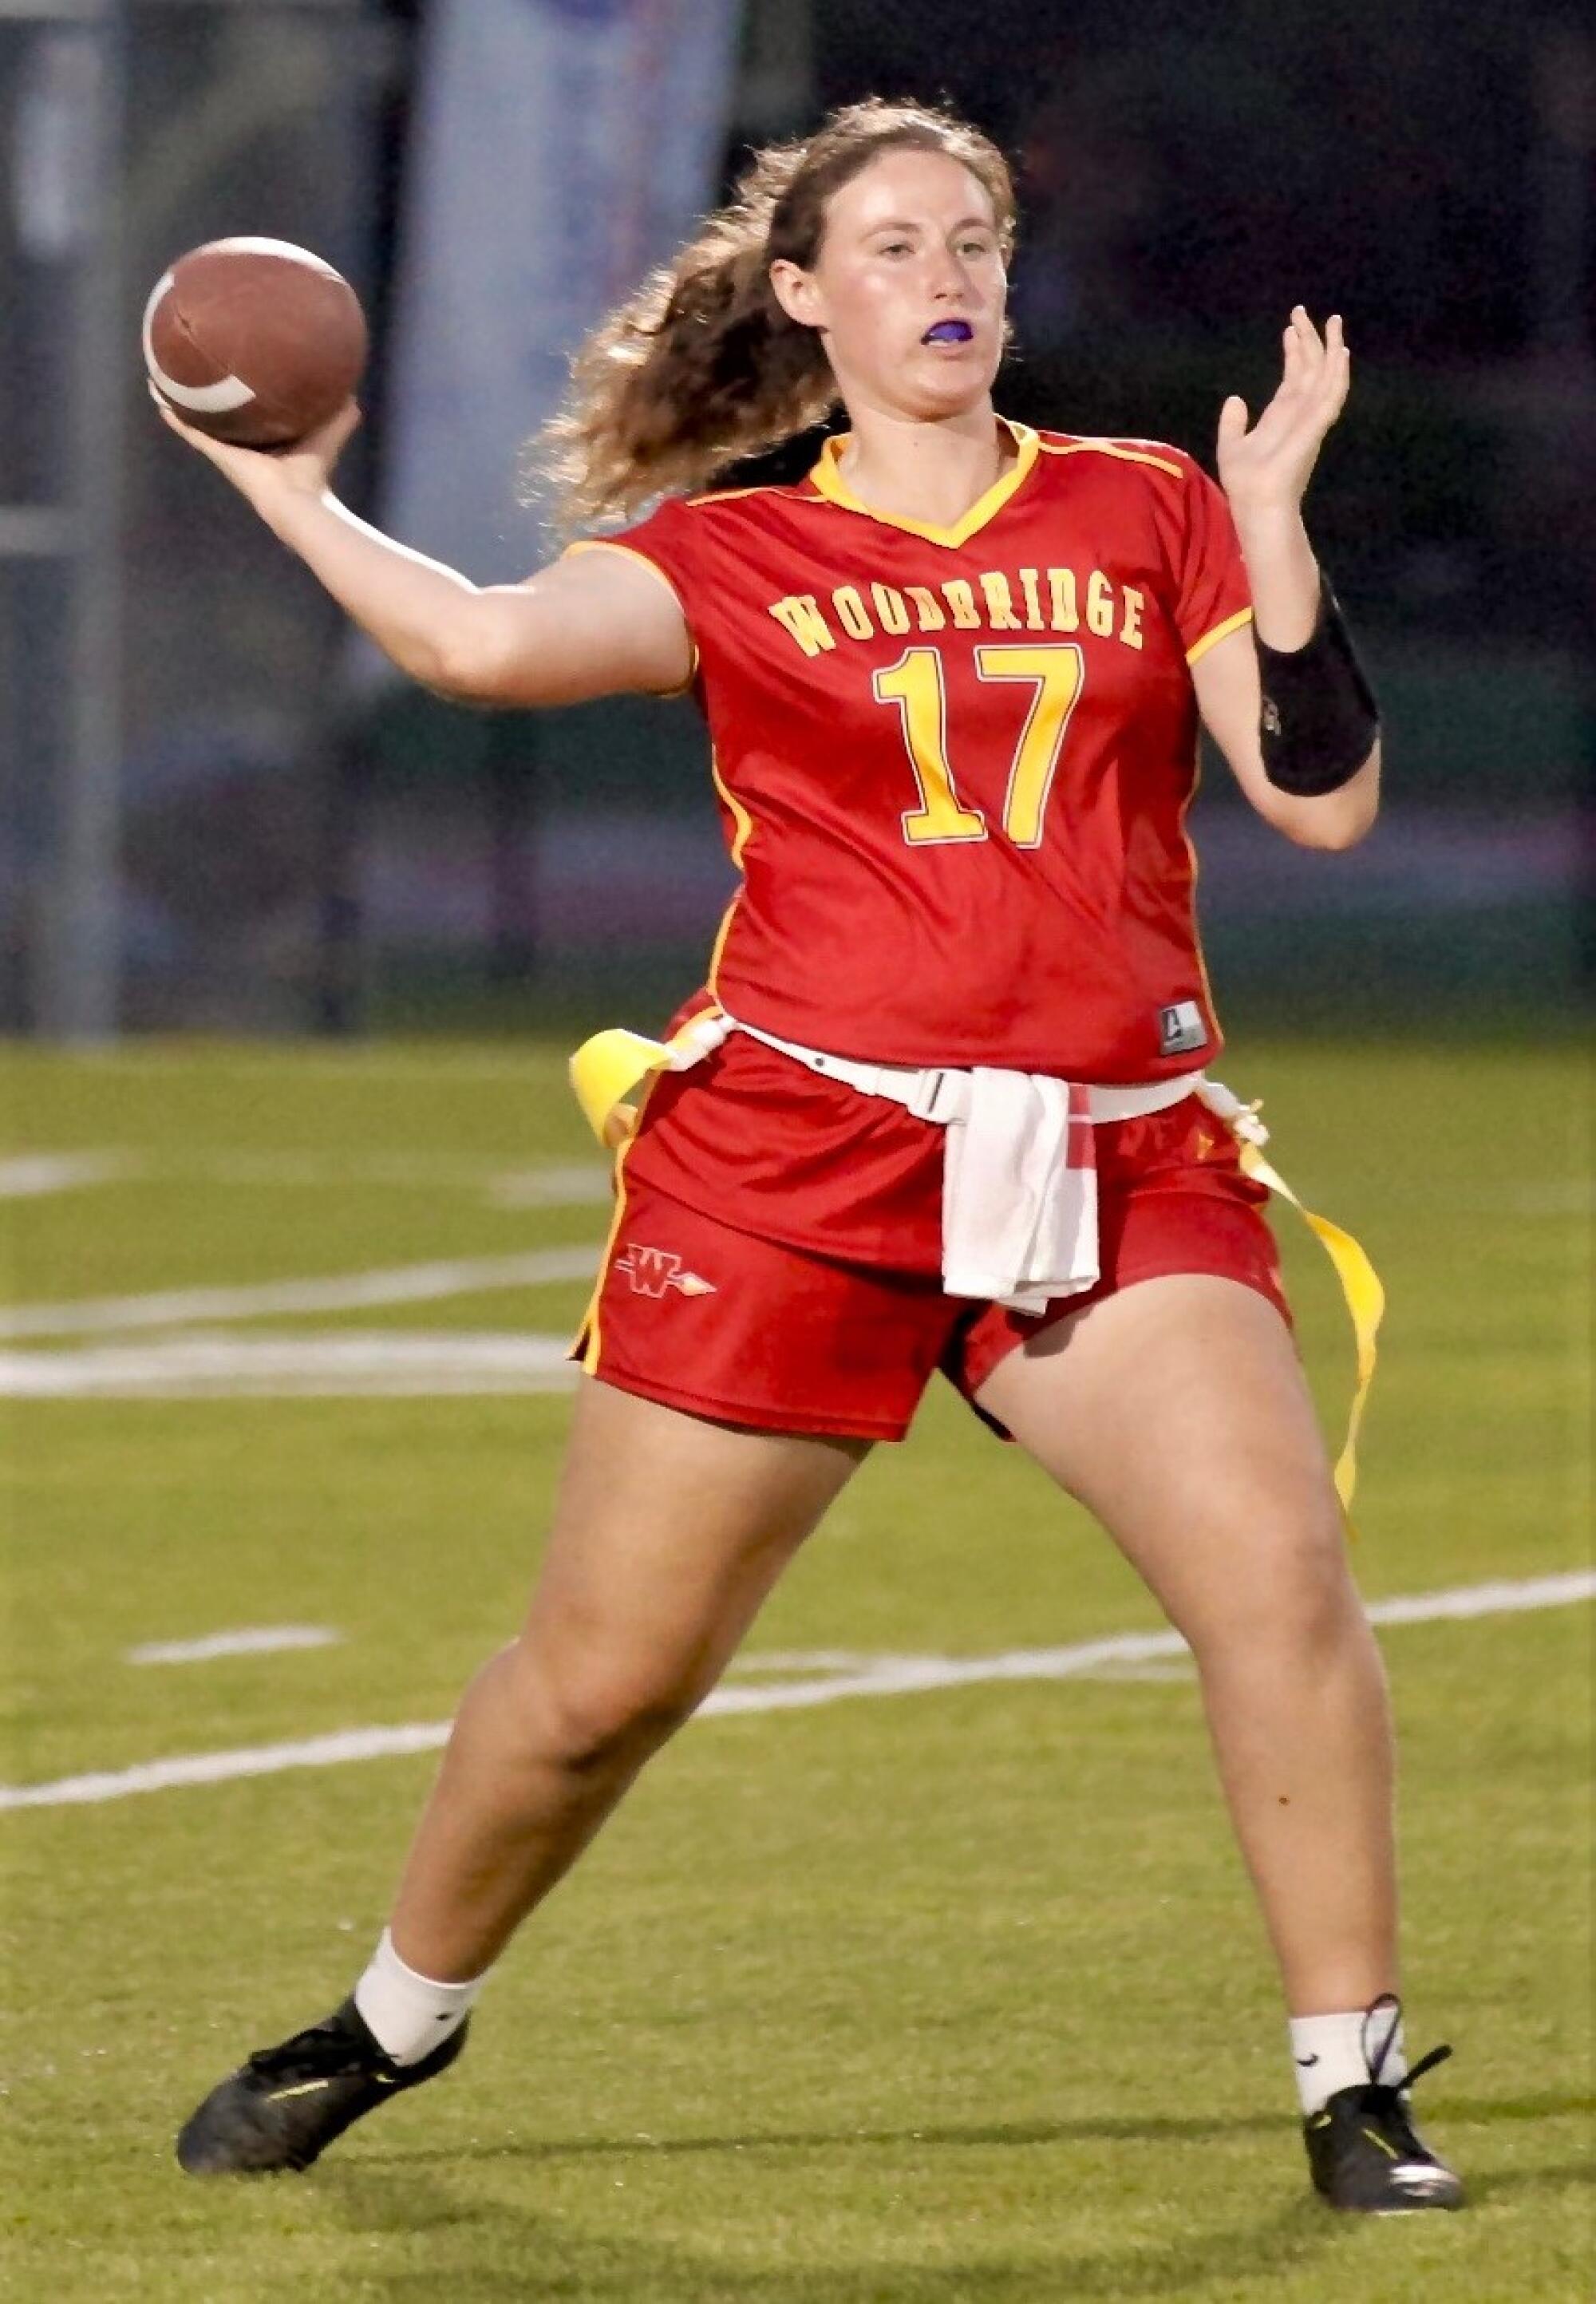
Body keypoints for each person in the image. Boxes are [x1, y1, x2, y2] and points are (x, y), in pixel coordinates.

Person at [163, 98, 1461, 2215]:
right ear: (803, 294)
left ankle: (1353, 2084)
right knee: (603, 1686)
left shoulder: (1147, 508)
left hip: (1117, 1157)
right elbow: (478, 648)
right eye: (896, 246)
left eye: (977, 241)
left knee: (1281, 1588)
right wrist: (293, 498)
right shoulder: (737, 551)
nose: (948, 277)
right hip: (798, 1160)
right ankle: (390, 2020)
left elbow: (1317, 798)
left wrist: (1280, 517)